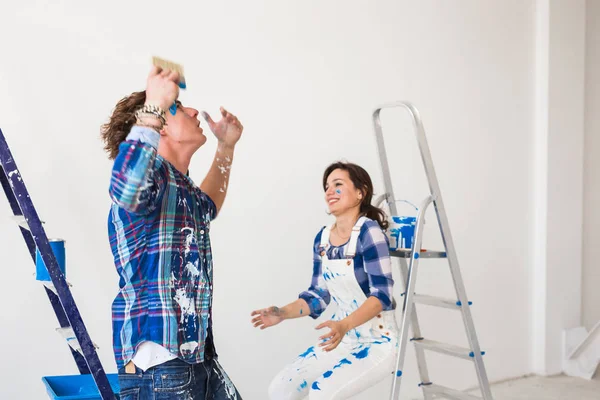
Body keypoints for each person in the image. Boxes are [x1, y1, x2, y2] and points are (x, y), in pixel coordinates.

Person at [101, 65, 244, 399]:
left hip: (196, 358)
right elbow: (125, 185)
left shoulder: (179, 186)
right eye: (180, 109)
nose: (195, 111)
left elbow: (207, 204)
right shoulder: (150, 183)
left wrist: (225, 148)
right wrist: (155, 104)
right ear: (160, 128)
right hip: (160, 366)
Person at [251, 162, 398, 400]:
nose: (329, 191)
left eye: (338, 185)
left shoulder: (369, 233)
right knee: (281, 388)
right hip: (341, 337)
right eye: (327, 186)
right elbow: (318, 296)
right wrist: (282, 312)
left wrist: (343, 326)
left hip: (377, 341)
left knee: (322, 392)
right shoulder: (323, 239)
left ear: (361, 192)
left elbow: (381, 296)